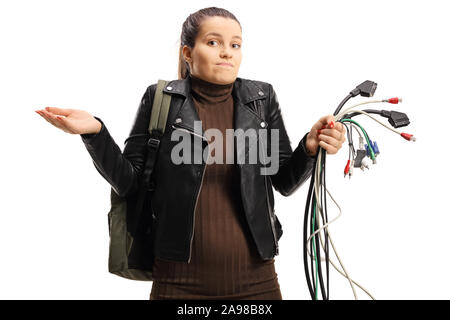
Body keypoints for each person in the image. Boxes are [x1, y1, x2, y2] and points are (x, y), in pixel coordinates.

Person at [35, 7, 346, 300]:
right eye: (214, 42)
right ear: (187, 52)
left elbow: (282, 181)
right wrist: (95, 133)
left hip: (257, 282)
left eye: (236, 45)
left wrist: (310, 147)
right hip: (177, 283)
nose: (227, 52)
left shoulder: (260, 99)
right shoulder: (160, 99)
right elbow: (130, 183)